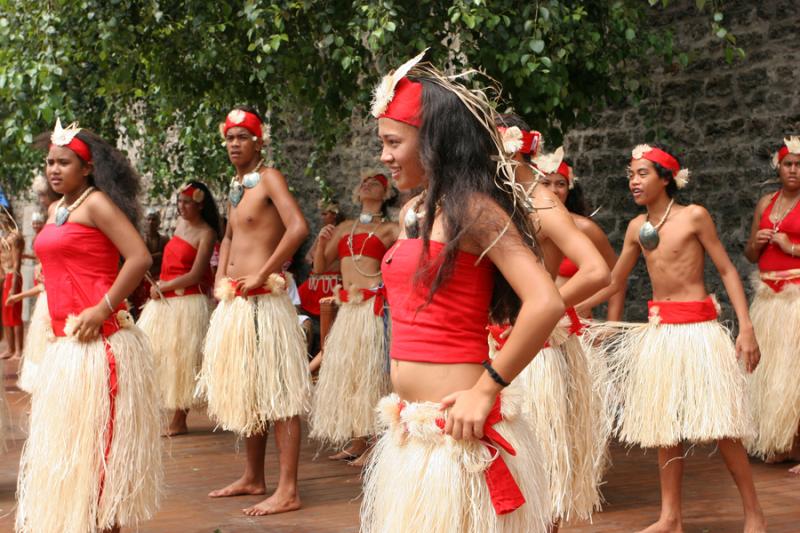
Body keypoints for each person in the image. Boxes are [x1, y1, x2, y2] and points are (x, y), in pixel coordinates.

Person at [360, 52, 564, 533]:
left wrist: (486, 389)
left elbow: (546, 301)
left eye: (393, 142)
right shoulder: (418, 209)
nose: (384, 156)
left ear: (432, 140)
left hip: (462, 428)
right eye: (382, 143)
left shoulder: (473, 208)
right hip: (415, 428)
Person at [581, 144, 765, 532]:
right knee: (664, 425)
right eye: (630, 174)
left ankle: (754, 514)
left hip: (698, 333)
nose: (633, 181)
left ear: (666, 178)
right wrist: (568, 308)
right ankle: (671, 518)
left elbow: (728, 271)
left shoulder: (694, 216)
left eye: (643, 173)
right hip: (661, 333)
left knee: (723, 426)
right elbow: (614, 280)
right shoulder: (636, 228)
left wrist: (746, 328)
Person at [16, 119, 161, 533]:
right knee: (71, 456)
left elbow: (138, 257)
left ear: (88, 168)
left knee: (100, 459)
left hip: (102, 345)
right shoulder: (56, 209)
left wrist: (102, 308)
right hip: (67, 346)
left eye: (64, 162)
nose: (54, 170)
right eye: (49, 163)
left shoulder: (96, 204)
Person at [490, 118, 611, 529]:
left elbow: (599, 272)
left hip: (537, 355)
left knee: (545, 467)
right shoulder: (495, 198)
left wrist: (544, 309)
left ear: (509, 148)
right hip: (491, 346)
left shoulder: (541, 203)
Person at [197, 106, 310, 516]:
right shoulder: (236, 186)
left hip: (264, 301)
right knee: (250, 391)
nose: (234, 144)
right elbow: (229, 234)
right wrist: (219, 276)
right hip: (236, 302)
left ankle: (289, 489)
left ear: (259, 141)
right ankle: (253, 477)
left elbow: (298, 226)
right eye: (229, 138)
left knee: (279, 393)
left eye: (242, 137)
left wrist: (263, 272)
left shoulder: (269, 178)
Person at [308, 171, 398, 463]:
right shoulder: (345, 227)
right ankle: (358, 441)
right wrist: (322, 243)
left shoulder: (391, 229)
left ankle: (376, 445)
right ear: (357, 193)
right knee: (353, 375)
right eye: (364, 181)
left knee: (374, 375)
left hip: (373, 308)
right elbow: (320, 267)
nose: (368, 184)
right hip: (348, 310)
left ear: (386, 195)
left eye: (377, 183)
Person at [137, 181, 219, 436]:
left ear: (200, 204)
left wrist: (165, 285)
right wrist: (160, 286)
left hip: (187, 301)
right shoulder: (180, 225)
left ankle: (179, 419)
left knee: (181, 358)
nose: (181, 207)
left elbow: (195, 274)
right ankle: (153, 411)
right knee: (153, 352)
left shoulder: (207, 233)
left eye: (186, 203)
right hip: (164, 298)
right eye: (179, 202)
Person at [744, 136, 800, 472]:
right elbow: (751, 254)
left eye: (799, 165)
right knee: (773, 372)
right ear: (777, 168)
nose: (793, 170)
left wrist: (790, 246)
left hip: (797, 296)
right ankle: (782, 442)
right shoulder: (767, 202)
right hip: (767, 295)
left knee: (797, 372)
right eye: (788, 164)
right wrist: (759, 241)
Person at [530, 146, 626, 320]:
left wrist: (611, 324)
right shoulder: (526, 225)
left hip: (573, 323)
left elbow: (616, 277)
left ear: (569, 188)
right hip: (532, 318)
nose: (553, 190)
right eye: (545, 183)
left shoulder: (585, 228)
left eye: (561, 184)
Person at [9, 211, 49, 393]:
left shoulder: (44, 238)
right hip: (41, 286)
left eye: (37, 223)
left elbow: (43, 286)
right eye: (33, 223)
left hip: (46, 293)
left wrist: (16, 294)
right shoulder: (37, 241)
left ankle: (18, 351)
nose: (34, 225)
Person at [298, 200, 343, 318]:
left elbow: (327, 258)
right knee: (294, 301)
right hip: (314, 283)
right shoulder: (323, 233)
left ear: (334, 215)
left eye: (325, 214)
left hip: (330, 284)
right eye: (322, 213)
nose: (322, 217)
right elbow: (309, 255)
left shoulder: (341, 233)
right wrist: (315, 260)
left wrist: (320, 260)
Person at [0, 209, 24, 360]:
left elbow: (17, 264)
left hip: (12, 277)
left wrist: (13, 287)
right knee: (6, 315)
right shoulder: (5, 236)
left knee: (14, 314)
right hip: (5, 277)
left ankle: (19, 351)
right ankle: (10, 348)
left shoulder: (15, 237)